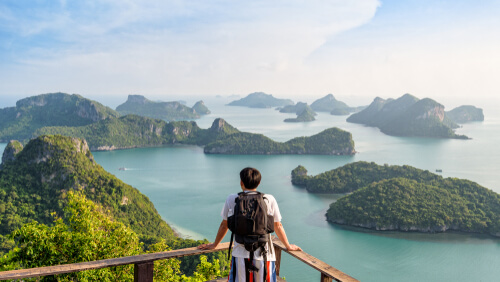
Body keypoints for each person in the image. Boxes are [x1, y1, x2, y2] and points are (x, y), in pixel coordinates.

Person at [198, 167, 301, 282]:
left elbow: (224, 225)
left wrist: (215, 244)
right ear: (259, 182)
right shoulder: (268, 199)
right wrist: (288, 246)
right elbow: (278, 226)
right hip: (264, 254)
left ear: (241, 182)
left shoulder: (232, 198)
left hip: (240, 254)